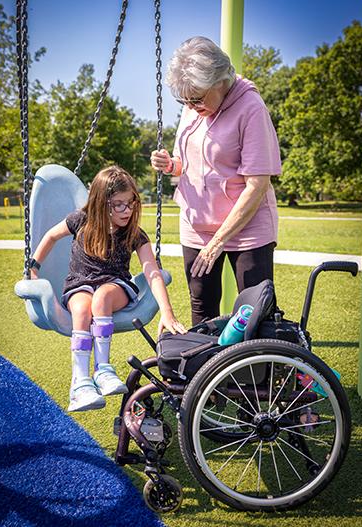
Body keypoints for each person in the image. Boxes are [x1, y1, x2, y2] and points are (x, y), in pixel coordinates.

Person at [29, 166, 186, 412]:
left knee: (101, 297)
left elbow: (152, 272)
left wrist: (167, 311)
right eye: (119, 204)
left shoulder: (134, 234)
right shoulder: (80, 220)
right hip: (80, 283)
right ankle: (80, 383)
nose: (127, 210)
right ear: (102, 204)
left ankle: (103, 369)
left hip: (116, 286)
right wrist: (34, 267)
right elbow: (50, 236)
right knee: (81, 309)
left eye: (131, 203)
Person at [151, 36, 281, 326]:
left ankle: (255, 372)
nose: (191, 105)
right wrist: (171, 166)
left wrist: (218, 241)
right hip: (197, 227)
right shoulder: (193, 105)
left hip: (246, 228)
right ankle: (207, 371)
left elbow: (257, 184)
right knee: (201, 305)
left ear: (220, 81)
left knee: (253, 314)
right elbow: (189, 165)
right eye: (185, 100)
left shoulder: (252, 109)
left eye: (197, 98)